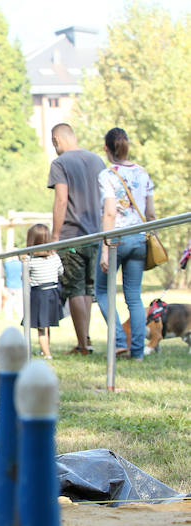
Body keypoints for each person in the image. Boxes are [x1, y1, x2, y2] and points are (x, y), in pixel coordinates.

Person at [95, 127, 155, 361]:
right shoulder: (143, 173)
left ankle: (120, 341)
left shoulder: (107, 175)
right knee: (134, 296)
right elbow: (150, 213)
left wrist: (104, 250)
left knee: (102, 291)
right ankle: (138, 352)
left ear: (106, 148)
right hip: (139, 238)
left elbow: (109, 213)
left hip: (116, 239)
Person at [49, 123, 106, 355]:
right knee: (88, 290)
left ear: (56, 140)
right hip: (97, 234)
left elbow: (61, 200)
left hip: (72, 236)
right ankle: (85, 339)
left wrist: (55, 236)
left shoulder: (60, 164)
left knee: (75, 289)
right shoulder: (98, 161)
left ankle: (83, 344)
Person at [25, 224, 64, 359]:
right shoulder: (55, 257)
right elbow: (61, 271)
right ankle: (44, 349)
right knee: (46, 324)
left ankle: (47, 354)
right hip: (53, 292)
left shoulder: (30, 261)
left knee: (42, 327)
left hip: (39, 294)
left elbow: (24, 278)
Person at [3, 251, 23, 321]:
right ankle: (21, 316)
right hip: (19, 285)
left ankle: (8, 316)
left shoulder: (7, 264)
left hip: (10, 285)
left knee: (9, 302)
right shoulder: (21, 264)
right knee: (20, 302)